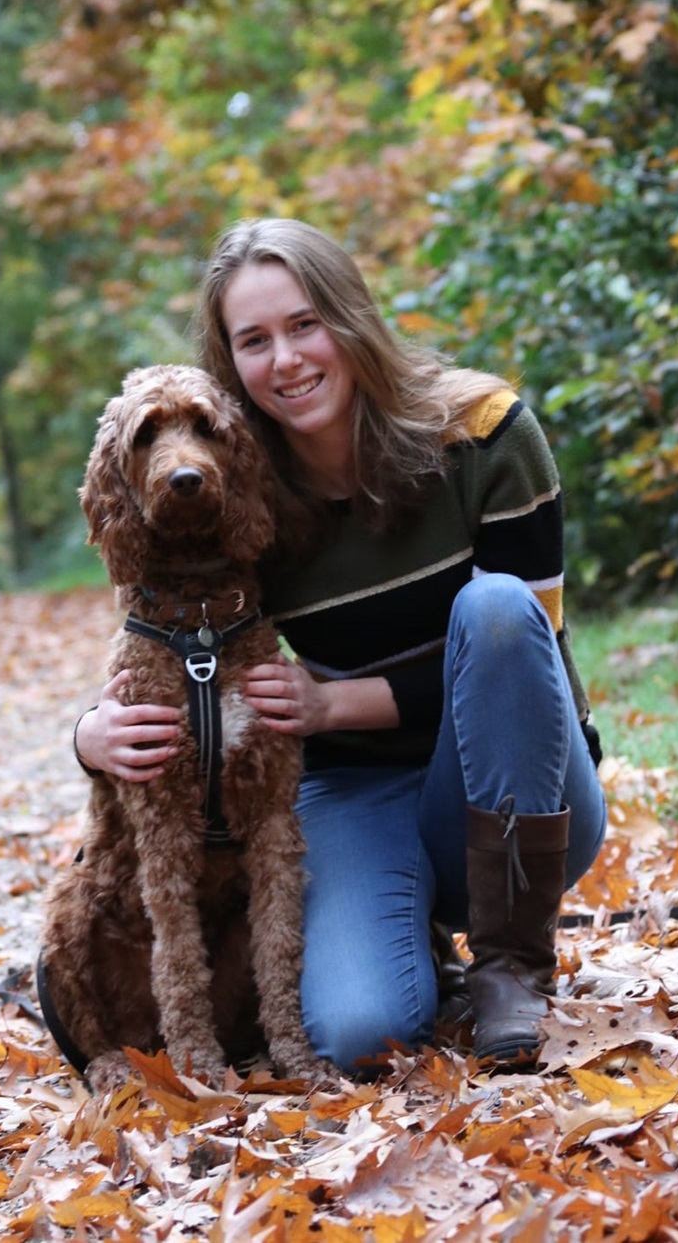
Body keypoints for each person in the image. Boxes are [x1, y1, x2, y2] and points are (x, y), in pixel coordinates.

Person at [73, 217, 607, 1072]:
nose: (284, 360)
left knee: (498, 610)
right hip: (356, 794)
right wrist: (88, 737)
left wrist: (335, 703)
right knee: (362, 1035)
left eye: (304, 324)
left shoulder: (485, 433)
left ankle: (511, 962)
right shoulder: (237, 482)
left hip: (522, 783)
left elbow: (527, 653)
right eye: (254, 341)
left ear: (350, 317)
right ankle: (415, 940)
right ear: (231, 363)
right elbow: (161, 632)